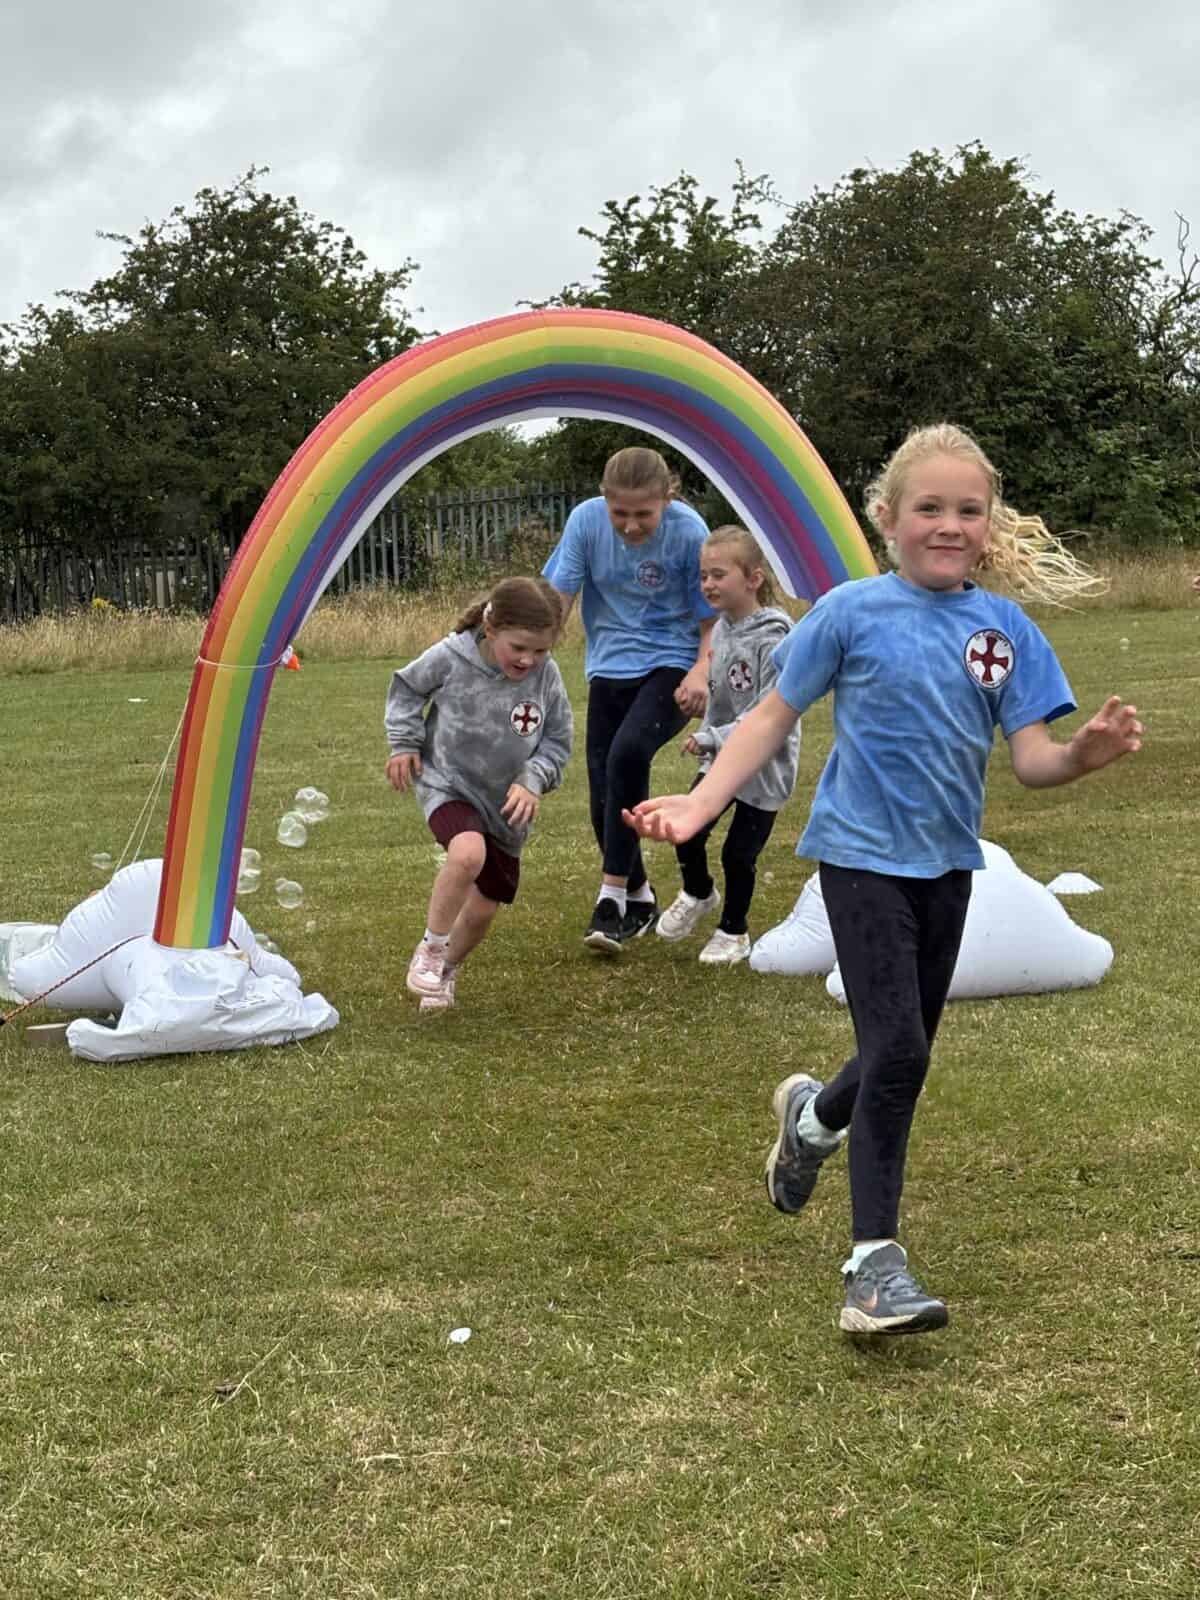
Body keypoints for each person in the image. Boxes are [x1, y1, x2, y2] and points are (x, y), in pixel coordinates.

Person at [626, 423, 1142, 1336]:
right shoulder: (849, 612)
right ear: (888, 517)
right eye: (929, 507)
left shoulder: (1004, 632)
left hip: (948, 870)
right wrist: (702, 804)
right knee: (900, 1050)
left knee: (896, 1049)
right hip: (860, 860)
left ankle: (811, 1124)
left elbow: (1031, 760)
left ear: (989, 524)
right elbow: (770, 717)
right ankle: (873, 1269)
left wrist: (1080, 756)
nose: (949, 524)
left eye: (968, 510)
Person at [543, 445, 715, 954]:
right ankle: (640, 898)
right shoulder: (586, 522)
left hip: (673, 663)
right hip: (609, 666)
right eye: (620, 512)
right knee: (603, 798)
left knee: (628, 754)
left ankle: (610, 899)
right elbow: (558, 599)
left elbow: (713, 618)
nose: (631, 525)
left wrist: (702, 670)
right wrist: (529, 651)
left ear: (668, 499)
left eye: (644, 514)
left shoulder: (689, 532)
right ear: (604, 500)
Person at [385, 576, 573, 1013]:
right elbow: (407, 688)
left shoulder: (546, 675)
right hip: (447, 783)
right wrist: (404, 742)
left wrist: (533, 778)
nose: (528, 659)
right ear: (490, 629)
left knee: (485, 908)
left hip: (507, 807)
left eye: (540, 650)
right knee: (468, 854)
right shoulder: (451, 657)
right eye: (519, 647)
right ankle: (431, 949)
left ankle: (445, 970)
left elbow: (558, 740)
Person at [655, 526, 800, 965]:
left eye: (718, 575)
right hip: (720, 754)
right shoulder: (720, 629)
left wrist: (710, 736)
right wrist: (701, 703)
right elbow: (724, 695)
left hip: (766, 764)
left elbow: (766, 712)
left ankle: (734, 931)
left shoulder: (775, 638)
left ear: (753, 578)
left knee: (738, 853)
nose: (707, 585)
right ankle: (699, 892)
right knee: (687, 828)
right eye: (703, 576)